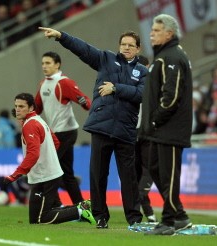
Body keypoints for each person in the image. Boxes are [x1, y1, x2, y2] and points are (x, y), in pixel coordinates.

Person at [38, 26, 145, 229]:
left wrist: (115, 88)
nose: (126, 48)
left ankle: (134, 218)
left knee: (129, 177)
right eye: (123, 44)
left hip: (125, 130)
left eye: (131, 45)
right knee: (98, 175)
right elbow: (83, 49)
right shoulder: (106, 59)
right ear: (119, 46)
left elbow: (142, 94)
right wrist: (62, 36)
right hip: (101, 127)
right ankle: (100, 216)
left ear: (138, 49)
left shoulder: (143, 71)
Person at [3, 92, 95, 225]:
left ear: (31, 108)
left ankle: (79, 211)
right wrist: (48, 159)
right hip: (45, 174)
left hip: (45, 177)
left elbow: (33, 154)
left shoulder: (30, 125)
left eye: (22, 106)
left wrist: (14, 176)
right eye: (16, 106)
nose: (17, 109)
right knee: (35, 220)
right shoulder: (39, 120)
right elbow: (56, 142)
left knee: (42, 218)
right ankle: (82, 207)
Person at [138, 14, 193, 236]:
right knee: (154, 167)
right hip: (158, 129)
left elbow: (171, 96)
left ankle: (169, 222)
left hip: (170, 129)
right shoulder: (163, 57)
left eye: (157, 30)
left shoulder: (172, 57)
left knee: (168, 175)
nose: (151, 33)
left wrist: (153, 120)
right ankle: (179, 215)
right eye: (152, 29)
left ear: (169, 34)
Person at [34, 51, 91, 206]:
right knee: (67, 173)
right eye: (43, 63)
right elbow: (37, 108)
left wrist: (84, 102)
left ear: (57, 64)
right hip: (56, 133)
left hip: (66, 132)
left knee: (49, 168)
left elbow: (85, 101)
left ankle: (55, 204)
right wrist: (25, 113)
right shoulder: (43, 84)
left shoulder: (64, 82)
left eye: (48, 63)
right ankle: (81, 207)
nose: (44, 66)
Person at [135, 55, 157, 223]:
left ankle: (149, 209)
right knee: (135, 174)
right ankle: (146, 213)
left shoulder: (154, 87)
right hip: (133, 134)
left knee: (148, 169)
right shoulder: (134, 87)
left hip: (148, 135)